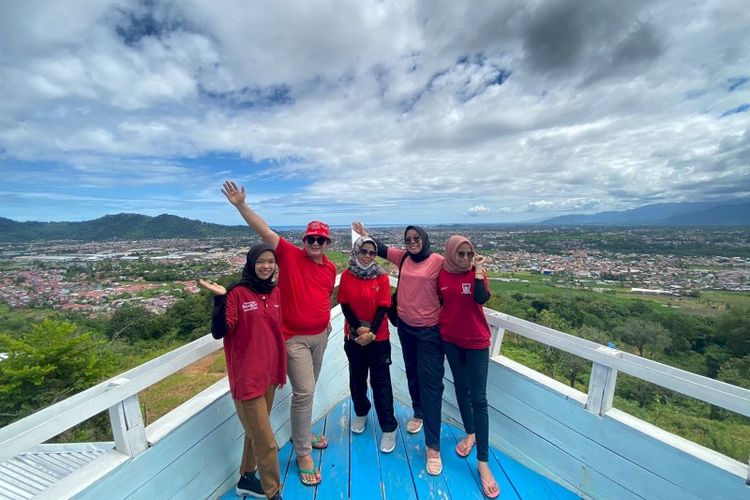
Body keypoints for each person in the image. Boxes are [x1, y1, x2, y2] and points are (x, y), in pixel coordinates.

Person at [223, 180, 336, 487]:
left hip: (319, 336)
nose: (315, 244)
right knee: (305, 392)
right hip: (294, 339)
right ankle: (303, 453)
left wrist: (324, 317)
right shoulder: (288, 255)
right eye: (310, 239)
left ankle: (303, 434)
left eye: (320, 240)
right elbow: (264, 231)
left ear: (328, 244)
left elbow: (324, 295)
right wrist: (241, 205)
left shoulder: (329, 269)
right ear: (303, 241)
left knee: (306, 392)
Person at [352, 221, 445, 475]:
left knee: (432, 383)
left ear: (425, 239)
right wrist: (364, 235)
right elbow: (380, 249)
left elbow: (455, 277)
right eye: (408, 238)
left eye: (417, 237)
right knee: (413, 373)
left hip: (429, 332)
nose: (412, 241)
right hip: (405, 327)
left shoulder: (437, 260)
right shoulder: (403, 257)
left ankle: (433, 446)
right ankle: (418, 412)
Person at [199, 243, 285, 500]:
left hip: (269, 375)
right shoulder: (237, 293)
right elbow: (220, 331)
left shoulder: (274, 292)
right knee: (267, 440)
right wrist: (219, 299)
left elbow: (276, 334)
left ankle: (247, 477)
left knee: (255, 432)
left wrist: (280, 371)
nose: (266, 266)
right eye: (261, 261)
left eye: (270, 261)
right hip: (247, 379)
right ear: (251, 264)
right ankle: (273, 492)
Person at [438, 235, 499, 498]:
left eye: (468, 254)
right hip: (451, 341)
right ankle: (470, 433)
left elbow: (481, 299)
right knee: (460, 390)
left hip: (476, 343)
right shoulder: (441, 276)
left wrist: (478, 271)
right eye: (460, 254)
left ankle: (483, 462)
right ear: (451, 254)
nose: (464, 259)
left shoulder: (477, 274)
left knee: (479, 399)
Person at [337, 236, 398, 452]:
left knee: (381, 383)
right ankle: (361, 411)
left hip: (378, 338)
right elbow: (344, 304)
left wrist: (371, 333)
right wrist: (359, 330)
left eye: (372, 253)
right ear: (356, 252)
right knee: (357, 379)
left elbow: (384, 307)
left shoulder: (381, 276)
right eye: (364, 251)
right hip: (354, 337)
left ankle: (389, 428)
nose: (368, 256)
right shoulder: (346, 275)